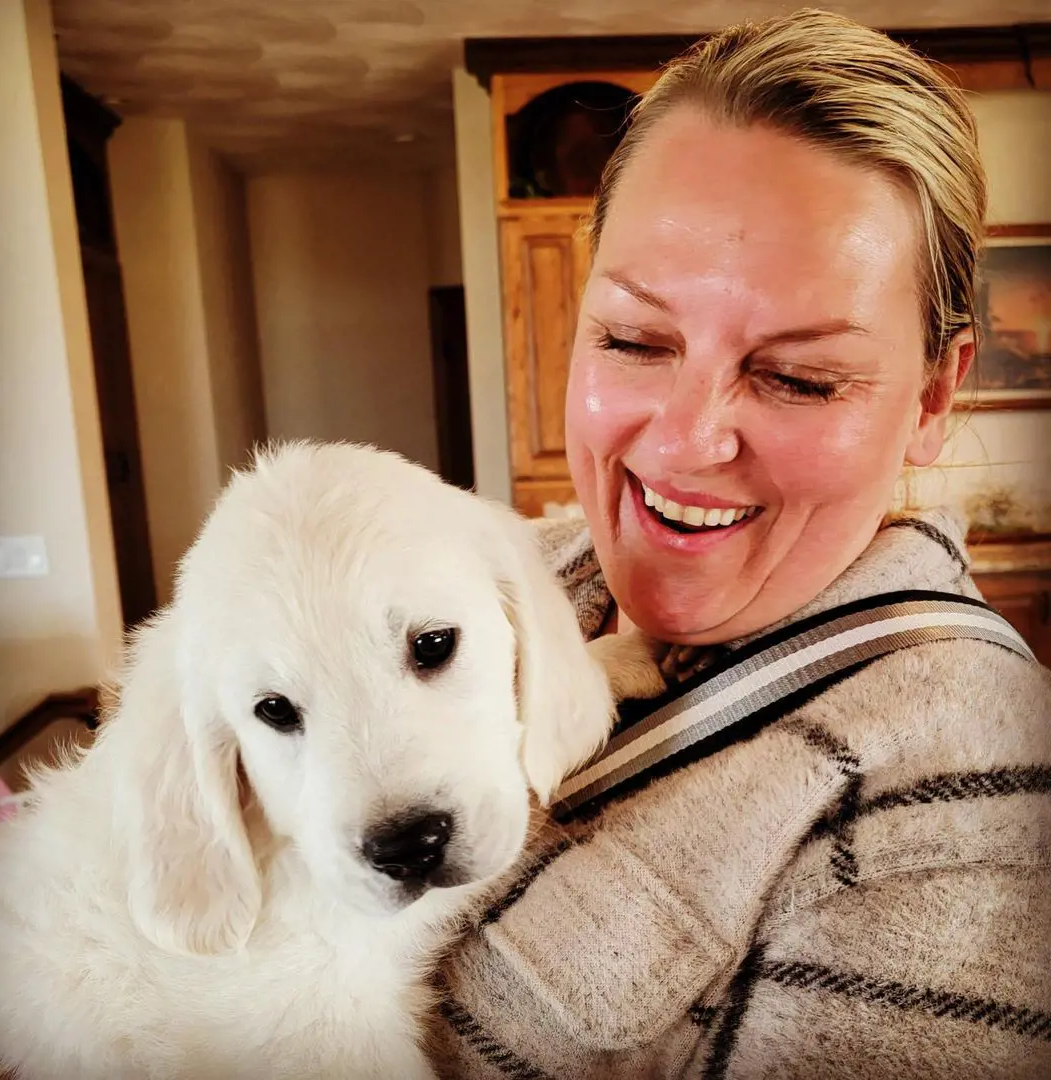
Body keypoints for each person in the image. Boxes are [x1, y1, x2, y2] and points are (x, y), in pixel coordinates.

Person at [429, 9, 1051, 1079]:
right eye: (632, 339)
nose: (681, 441)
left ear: (935, 395)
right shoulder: (496, 573)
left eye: (800, 377)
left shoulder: (972, 801)